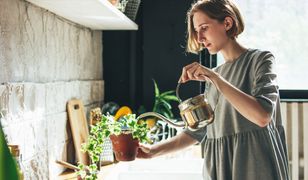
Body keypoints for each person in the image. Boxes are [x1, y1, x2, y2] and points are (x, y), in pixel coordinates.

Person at [137, 0, 290, 179]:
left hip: (255, 165)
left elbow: (262, 116)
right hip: (220, 167)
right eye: (196, 31)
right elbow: (198, 131)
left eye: (204, 28)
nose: (200, 38)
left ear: (227, 23)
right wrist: (153, 152)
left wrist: (215, 78)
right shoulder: (214, 77)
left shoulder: (260, 60)